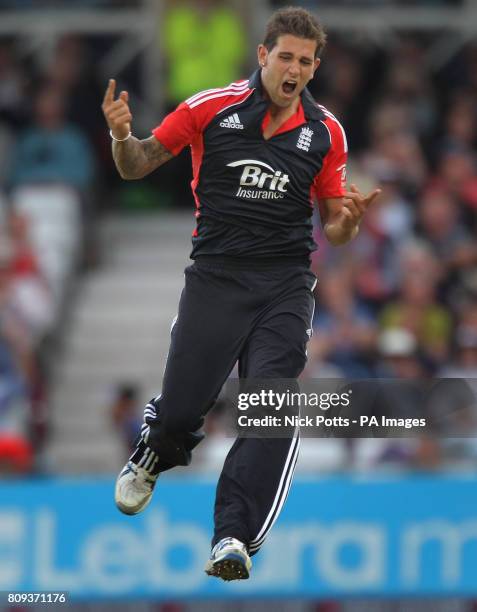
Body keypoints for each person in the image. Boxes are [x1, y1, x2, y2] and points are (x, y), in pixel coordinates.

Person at [101, 6, 380, 582]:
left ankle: (233, 533)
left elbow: (332, 225)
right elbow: (136, 166)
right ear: (263, 56)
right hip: (217, 277)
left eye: (305, 62)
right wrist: (120, 134)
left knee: (273, 408)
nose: (294, 70)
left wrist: (350, 222)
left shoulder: (325, 132)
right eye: (285, 57)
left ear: (314, 67)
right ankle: (157, 450)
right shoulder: (210, 107)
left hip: (284, 284)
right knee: (182, 406)